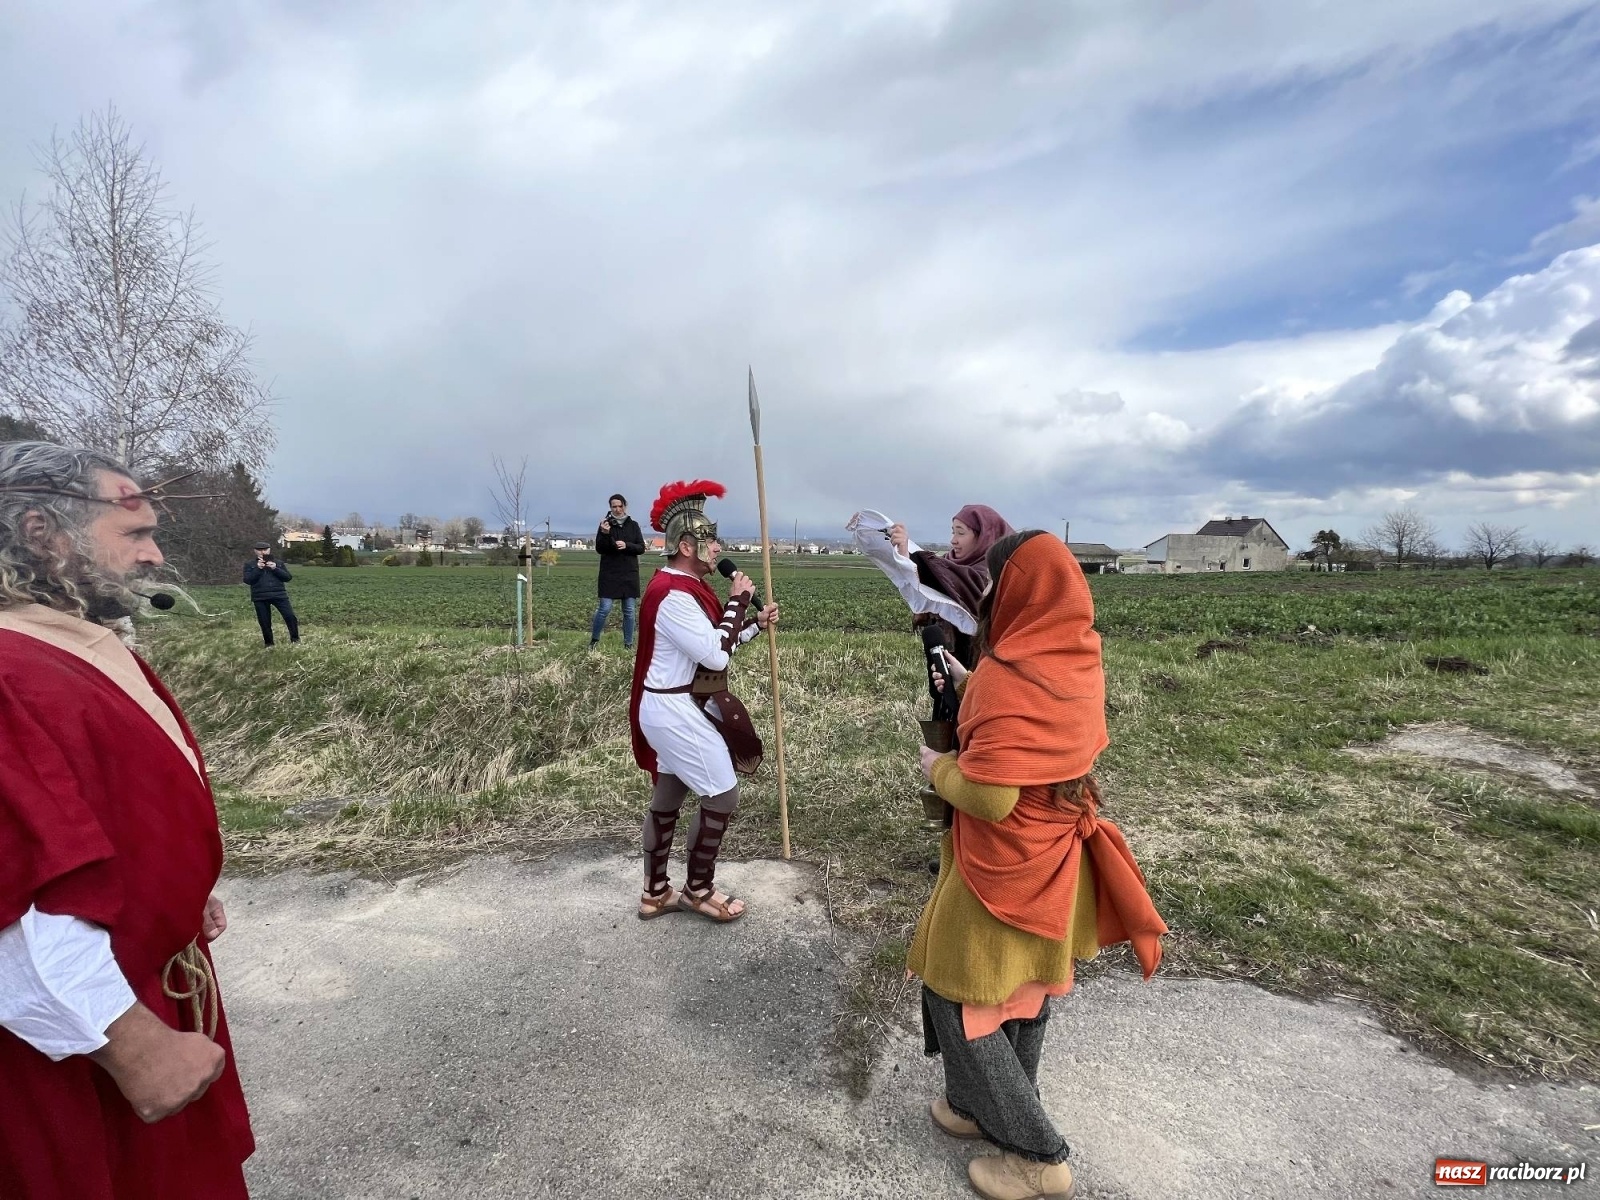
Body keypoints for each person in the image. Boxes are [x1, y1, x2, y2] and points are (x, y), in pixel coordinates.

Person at [0, 441, 254, 1199]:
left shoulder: (62, 639)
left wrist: (176, 889)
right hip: (84, 1048)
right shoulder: (10, 674)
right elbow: (17, 896)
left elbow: (101, 808)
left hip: (149, 980)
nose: (154, 555)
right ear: (44, 533)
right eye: (134, 532)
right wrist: (132, 1047)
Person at [909, 530, 1166, 1200]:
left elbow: (991, 795)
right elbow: (1031, 737)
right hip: (1057, 860)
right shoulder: (1075, 658)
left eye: (995, 581)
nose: (987, 592)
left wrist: (939, 769)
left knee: (955, 994)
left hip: (999, 869)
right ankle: (975, 1109)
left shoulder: (1003, 680)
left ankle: (1036, 1156)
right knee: (1023, 993)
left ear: (1019, 590)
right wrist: (969, 683)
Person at [628, 479, 778, 923]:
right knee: (723, 795)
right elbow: (713, 653)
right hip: (675, 710)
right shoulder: (673, 594)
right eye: (711, 541)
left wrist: (751, 624)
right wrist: (737, 602)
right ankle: (698, 889)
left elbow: (708, 649)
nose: (718, 549)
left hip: (673, 705)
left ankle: (655, 893)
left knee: (670, 793)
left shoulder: (679, 586)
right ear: (689, 545)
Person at [890, 504, 1015, 668]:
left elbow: (961, 582)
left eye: (961, 533)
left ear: (985, 536)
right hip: (945, 664)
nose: (953, 540)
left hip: (983, 669)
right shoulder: (949, 562)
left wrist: (910, 558)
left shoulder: (997, 572)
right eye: (953, 531)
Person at [590, 493, 646, 649]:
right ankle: (594, 641)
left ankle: (628, 644)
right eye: (614, 506)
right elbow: (600, 549)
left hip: (629, 574)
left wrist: (627, 545)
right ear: (610, 508)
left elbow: (641, 548)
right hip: (610, 574)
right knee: (604, 609)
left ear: (625, 506)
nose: (617, 509)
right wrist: (606, 534)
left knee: (629, 611)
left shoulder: (633, 525)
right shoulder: (605, 526)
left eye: (619, 506)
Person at [243, 540, 298, 647]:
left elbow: (287, 578)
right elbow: (248, 580)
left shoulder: (279, 563)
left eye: (265, 549)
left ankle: (295, 639)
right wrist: (258, 569)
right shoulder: (250, 564)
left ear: (269, 550)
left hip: (279, 595)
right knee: (264, 621)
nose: (262, 552)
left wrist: (275, 568)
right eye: (259, 550)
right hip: (260, 597)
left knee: (290, 617)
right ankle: (269, 644)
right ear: (255, 551)